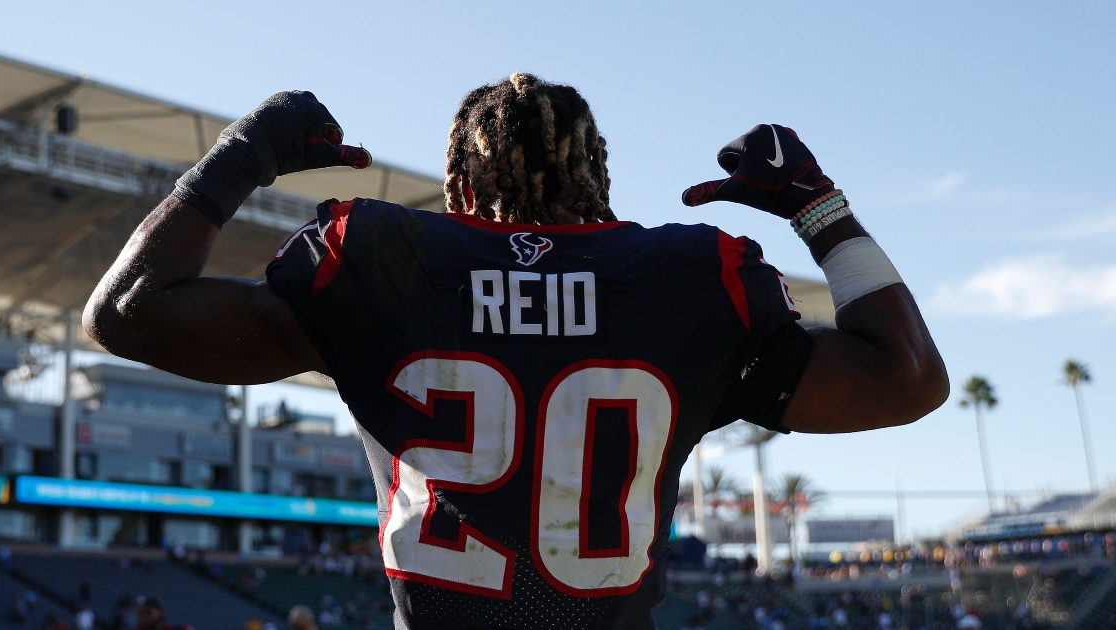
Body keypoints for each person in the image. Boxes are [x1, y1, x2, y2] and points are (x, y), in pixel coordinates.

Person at [85, 74, 948, 628]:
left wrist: (238, 162)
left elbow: (125, 313)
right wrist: (816, 206)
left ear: (457, 180)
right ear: (598, 173)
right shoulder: (692, 282)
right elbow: (907, 379)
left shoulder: (376, 263)